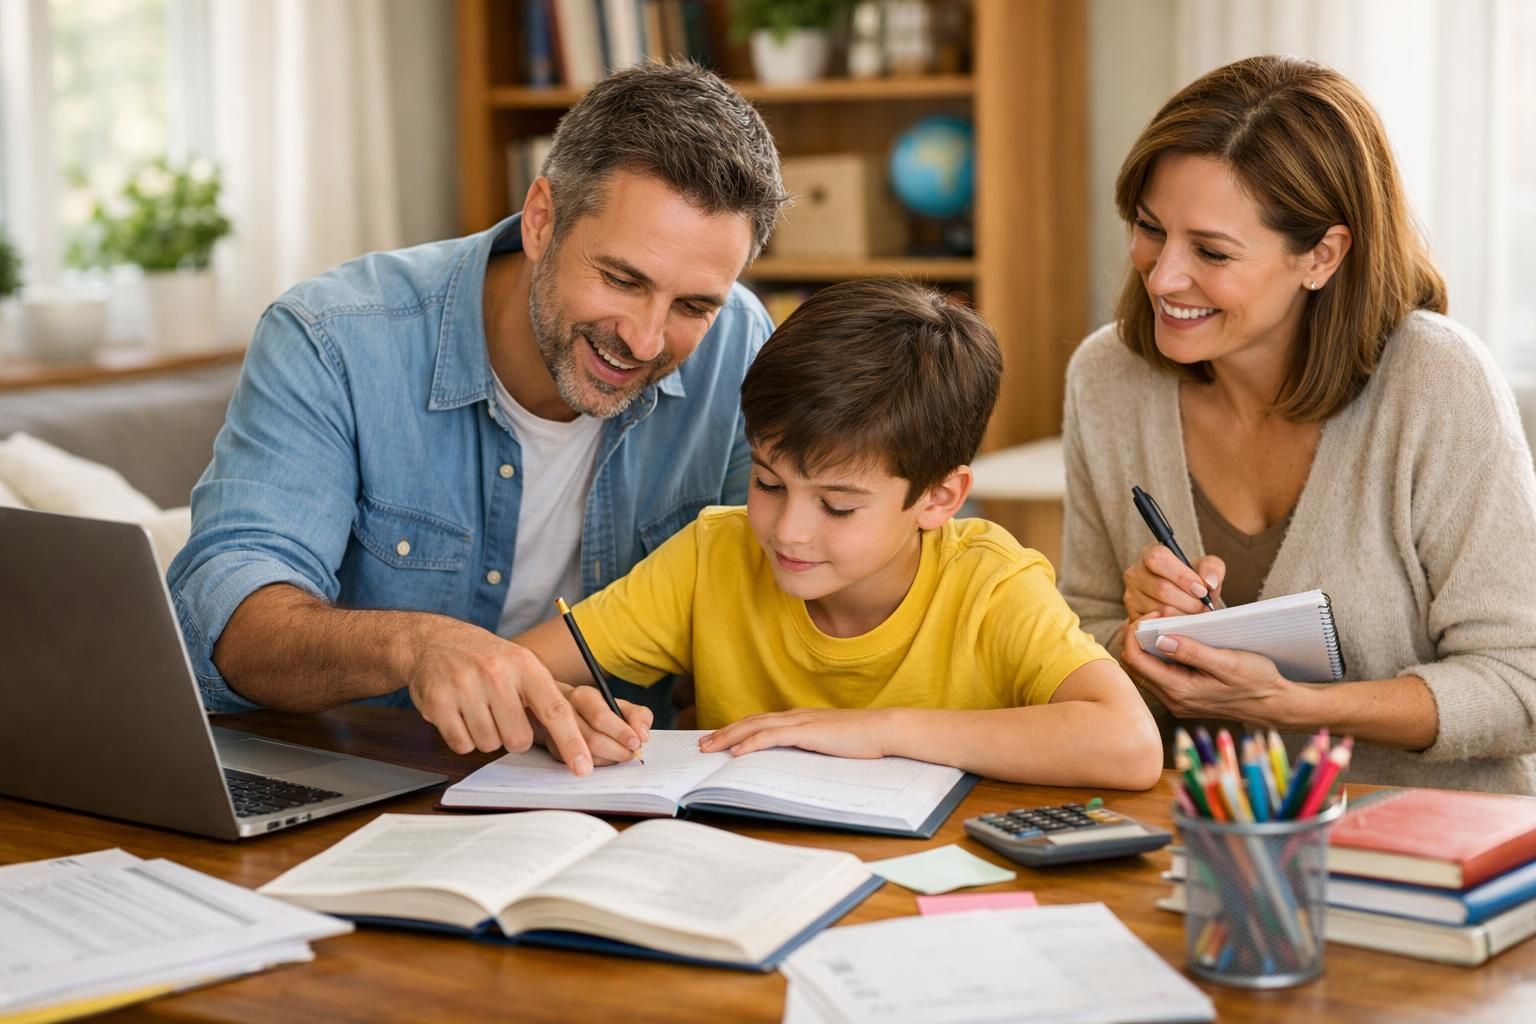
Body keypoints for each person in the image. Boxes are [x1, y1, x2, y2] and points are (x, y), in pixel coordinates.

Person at [168, 62, 786, 774]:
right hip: (364, 778)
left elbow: (764, 593)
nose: (647, 341)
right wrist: (417, 644)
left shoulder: (737, 341)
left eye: (692, 306)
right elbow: (226, 620)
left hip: (604, 787)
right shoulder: (334, 336)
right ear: (541, 219)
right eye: (622, 280)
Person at [1059, 55, 1536, 794]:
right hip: (1197, 836)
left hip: (1435, 855)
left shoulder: (1437, 382)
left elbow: (1520, 683)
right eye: (1150, 229)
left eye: (1211, 251)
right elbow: (1073, 638)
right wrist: (1135, 637)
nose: (1161, 277)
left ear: (1321, 255)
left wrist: (1296, 706)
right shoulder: (1109, 377)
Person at [514, 279, 1163, 788]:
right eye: (768, 484)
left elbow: (1129, 745)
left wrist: (882, 730)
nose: (787, 531)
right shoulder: (713, 555)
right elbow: (507, 671)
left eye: (839, 506)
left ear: (939, 498)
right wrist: (559, 711)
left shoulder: (991, 584)